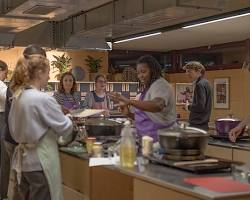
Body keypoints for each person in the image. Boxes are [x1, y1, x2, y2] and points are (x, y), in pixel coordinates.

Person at [8, 54, 73, 200]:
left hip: (24, 163)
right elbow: (65, 128)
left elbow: (13, 129)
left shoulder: (18, 96)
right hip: (40, 163)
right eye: (48, 72)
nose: (49, 77)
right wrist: (69, 118)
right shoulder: (43, 99)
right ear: (39, 73)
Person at [1, 44, 47, 200]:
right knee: (20, 184)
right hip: (16, 141)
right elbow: (21, 116)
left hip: (14, 138)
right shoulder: (21, 83)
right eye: (41, 61)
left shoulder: (22, 80)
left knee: (21, 183)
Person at [110, 55, 176, 142]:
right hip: (147, 139)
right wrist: (128, 114)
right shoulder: (148, 88)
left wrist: (129, 101)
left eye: (143, 72)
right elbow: (146, 118)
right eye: (138, 73)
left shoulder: (161, 85)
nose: (140, 76)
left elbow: (157, 105)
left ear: (153, 70)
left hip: (161, 141)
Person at [183, 61, 212, 131]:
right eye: (186, 71)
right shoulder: (206, 83)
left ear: (198, 71)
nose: (187, 74)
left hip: (197, 125)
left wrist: (188, 107)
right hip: (203, 124)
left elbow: (200, 106)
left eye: (189, 71)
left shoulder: (199, 85)